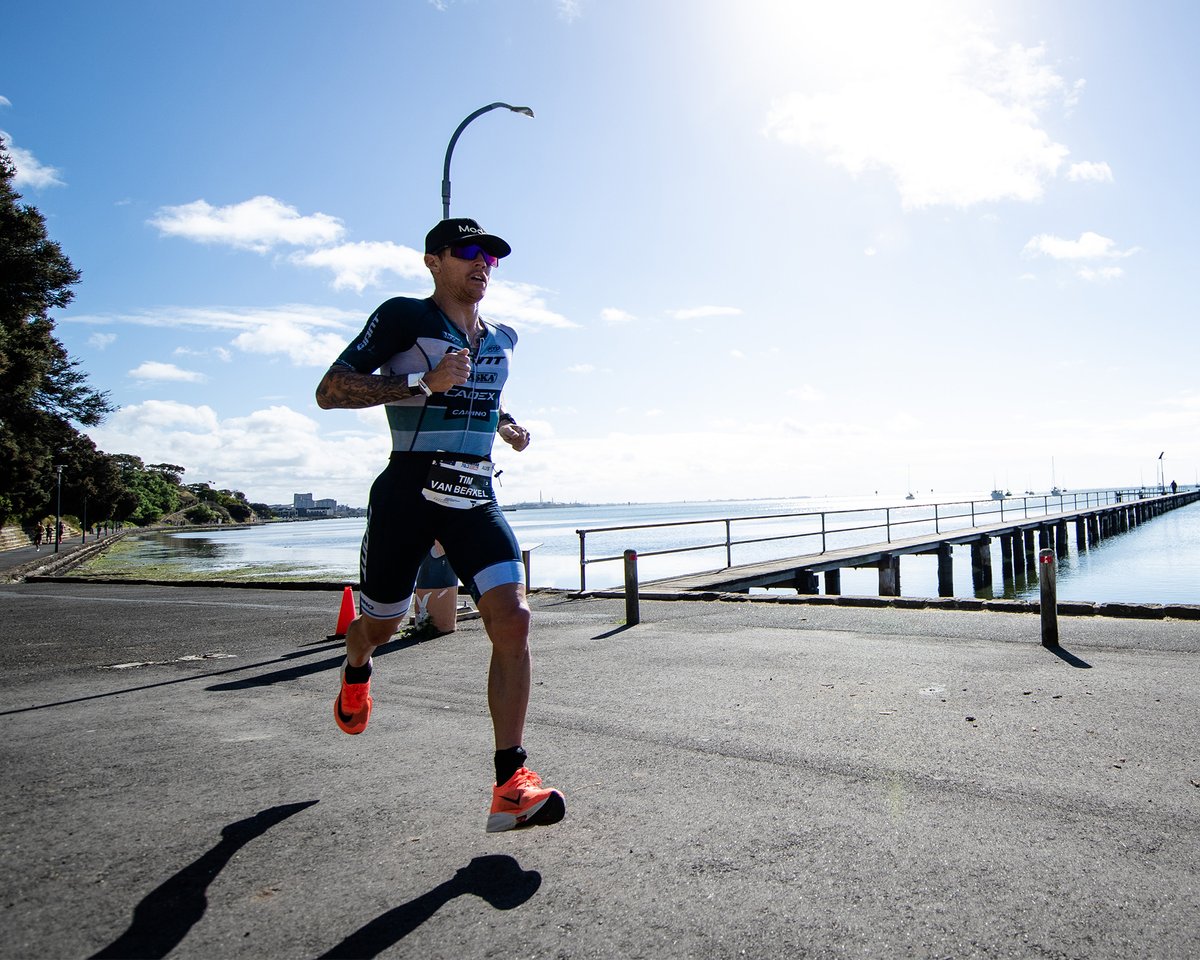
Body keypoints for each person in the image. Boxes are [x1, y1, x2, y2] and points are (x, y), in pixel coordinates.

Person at [315, 217, 564, 834]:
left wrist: (506, 423)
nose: (482, 263)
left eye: (492, 257)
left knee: (513, 616)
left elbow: (477, 385)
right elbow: (329, 390)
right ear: (434, 261)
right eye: (468, 252)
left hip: (474, 489)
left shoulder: (499, 338)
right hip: (408, 487)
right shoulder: (404, 317)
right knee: (382, 622)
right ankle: (356, 665)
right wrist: (416, 382)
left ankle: (511, 781)